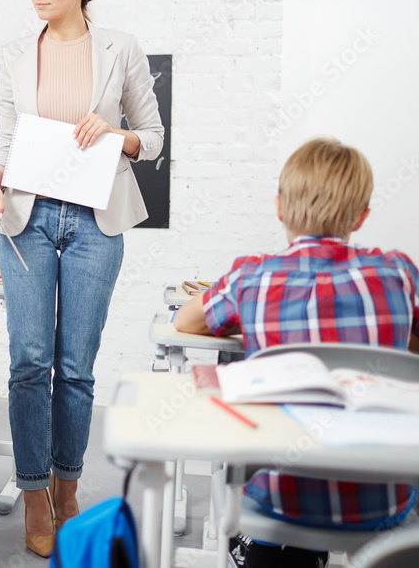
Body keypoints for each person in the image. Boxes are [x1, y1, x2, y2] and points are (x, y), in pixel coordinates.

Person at [0, 0, 164, 557]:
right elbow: (4, 140)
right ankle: (34, 493)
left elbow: (154, 139)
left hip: (94, 221)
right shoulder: (11, 54)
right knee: (30, 362)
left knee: (75, 367)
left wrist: (116, 132)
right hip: (26, 217)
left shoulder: (121, 50)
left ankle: (68, 486)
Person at [175, 138, 419, 568]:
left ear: (279, 208)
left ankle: (276, 551)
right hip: (382, 501)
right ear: (362, 216)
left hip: (280, 500)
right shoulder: (399, 272)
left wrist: (250, 319)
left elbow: (186, 323)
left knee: (269, 466)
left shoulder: (252, 277)